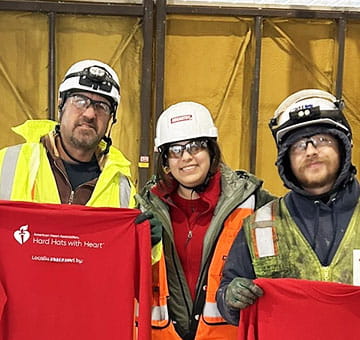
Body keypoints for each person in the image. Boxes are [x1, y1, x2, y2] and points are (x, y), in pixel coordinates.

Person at [216, 89, 359, 325]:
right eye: (299, 145)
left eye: (322, 139)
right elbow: (227, 294)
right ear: (286, 160)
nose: (311, 151)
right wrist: (229, 297)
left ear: (344, 145)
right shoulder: (260, 226)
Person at [135, 101, 274, 340]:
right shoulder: (145, 208)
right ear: (165, 161)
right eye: (175, 150)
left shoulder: (252, 201)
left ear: (211, 150)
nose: (187, 157)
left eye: (195, 146)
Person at [0, 59, 136, 208]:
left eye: (101, 106)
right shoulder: (7, 164)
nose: (90, 114)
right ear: (61, 104)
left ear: (111, 118)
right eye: (80, 101)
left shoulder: (123, 188)